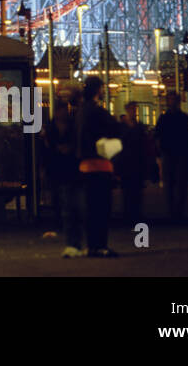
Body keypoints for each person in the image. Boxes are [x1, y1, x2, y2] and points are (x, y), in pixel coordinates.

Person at [75, 77, 122, 257]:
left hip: (84, 166)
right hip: (100, 165)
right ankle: (101, 245)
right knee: (102, 209)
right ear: (98, 90)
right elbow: (115, 129)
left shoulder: (80, 112)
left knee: (90, 209)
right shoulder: (97, 111)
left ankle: (92, 245)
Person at [45, 97, 82, 257]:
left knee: (68, 201)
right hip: (61, 167)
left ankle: (71, 237)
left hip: (66, 168)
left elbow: (46, 148)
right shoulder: (65, 127)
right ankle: (71, 235)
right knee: (65, 201)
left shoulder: (53, 128)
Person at [155, 93, 188, 220]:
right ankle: (177, 211)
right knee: (178, 184)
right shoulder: (184, 118)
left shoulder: (164, 118)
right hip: (178, 153)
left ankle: (172, 210)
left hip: (171, 153)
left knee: (171, 184)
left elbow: (157, 136)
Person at [116, 102, 152, 225]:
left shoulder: (133, 127)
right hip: (127, 160)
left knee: (136, 189)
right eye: (131, 109)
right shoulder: (128, 127)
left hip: (136, 160)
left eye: (134, 109)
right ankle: (129, 213)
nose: (133, 111)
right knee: (127, 189)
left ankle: (134, 212)